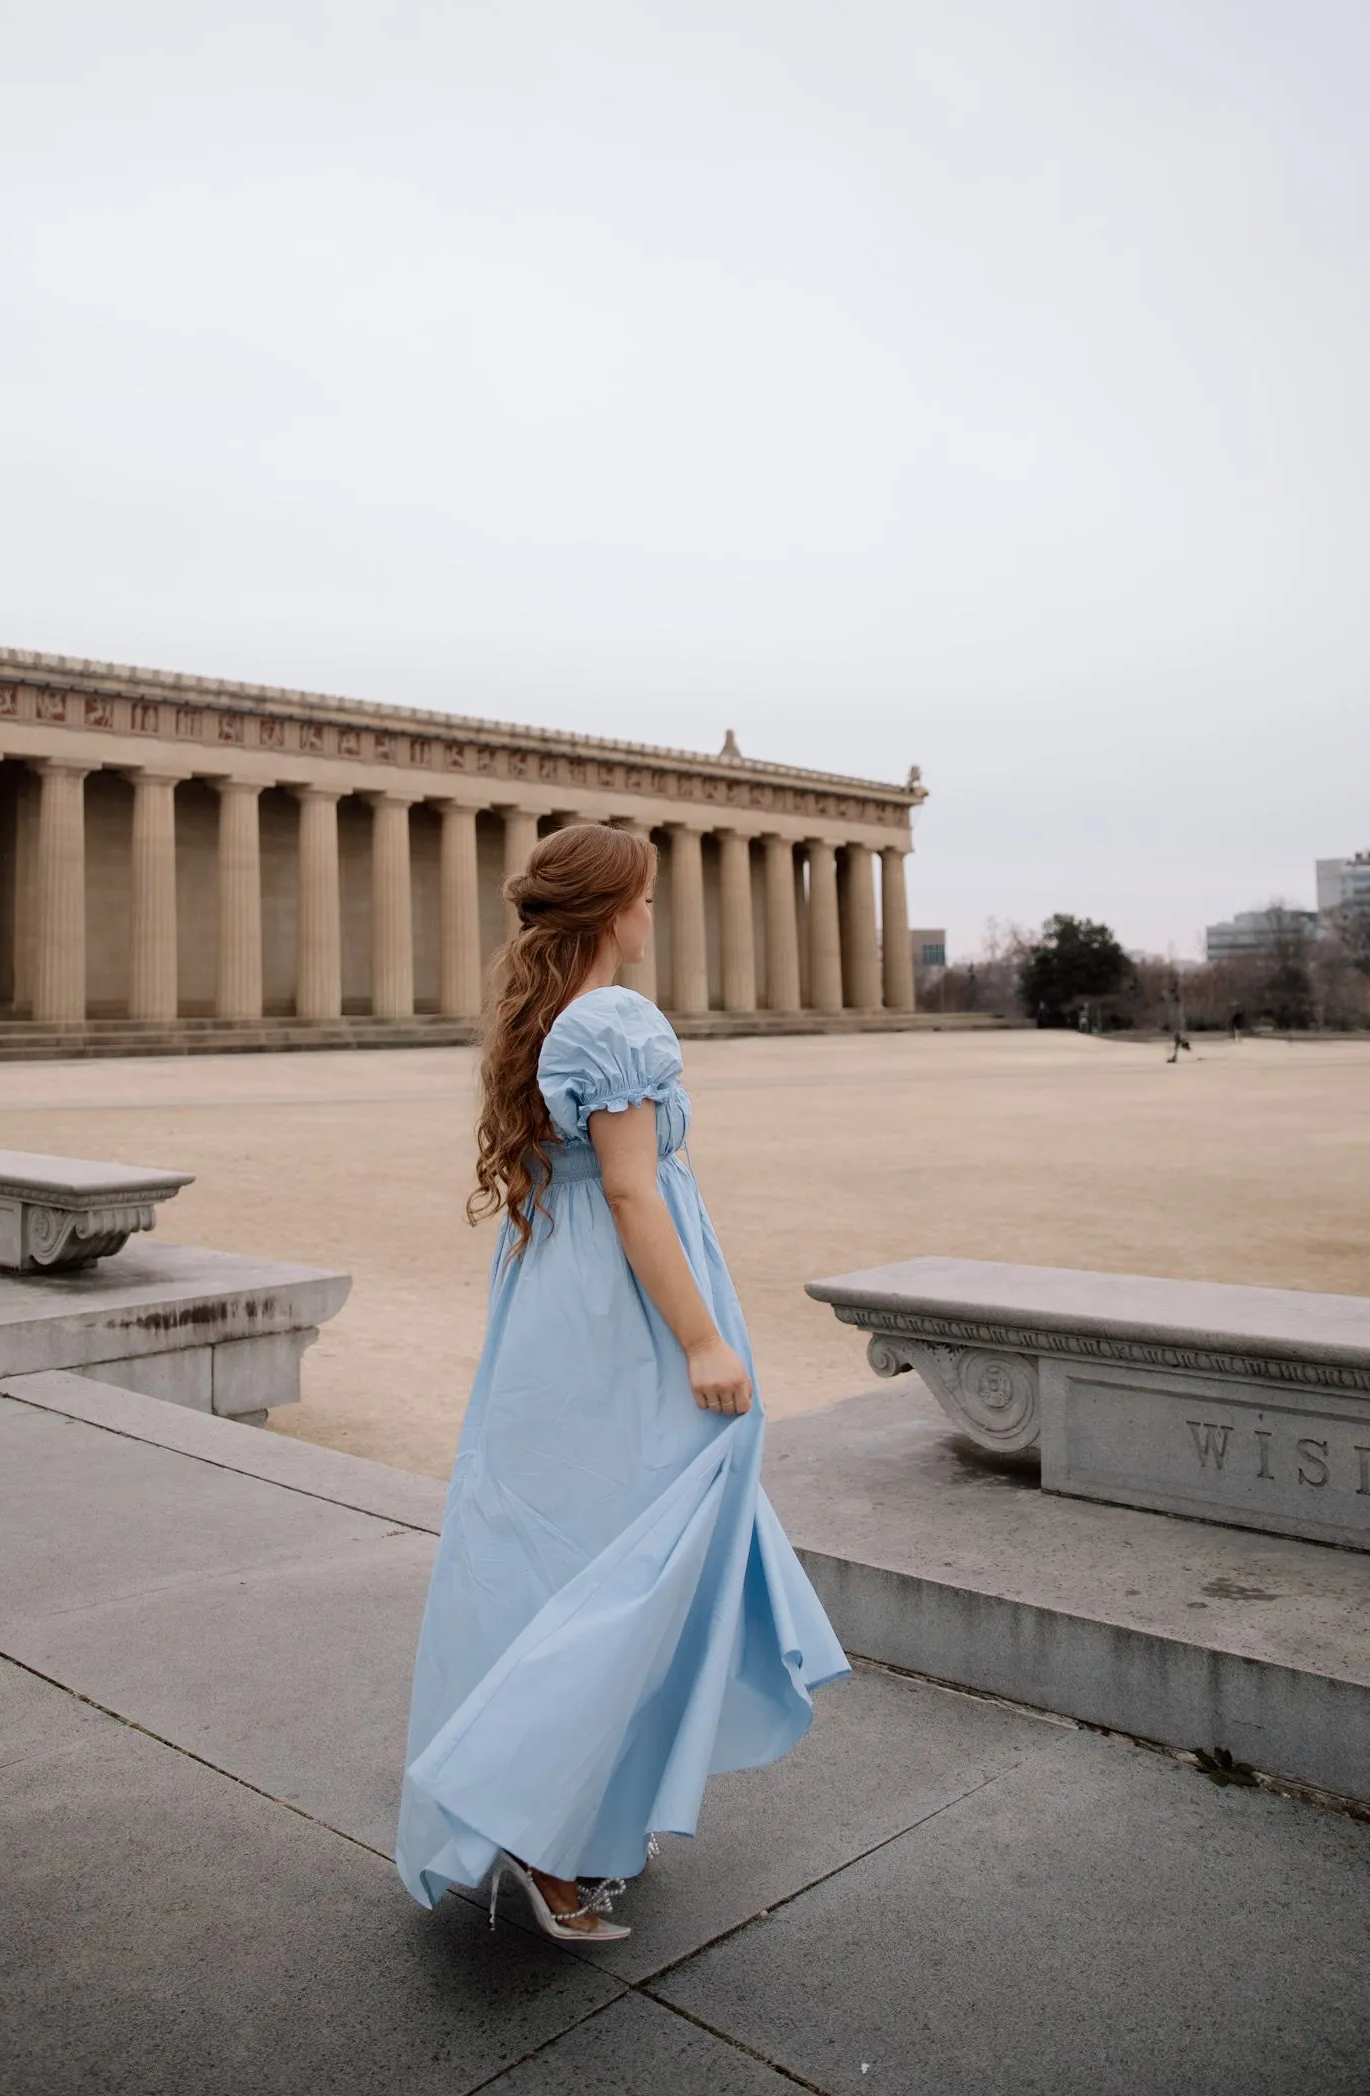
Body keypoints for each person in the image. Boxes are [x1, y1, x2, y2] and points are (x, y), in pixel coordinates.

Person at [395, 821, 848, 1943]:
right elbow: (638, 1194)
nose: (654, 916)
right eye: (645, 898)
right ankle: (554, 1840)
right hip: (623, 1313)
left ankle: (553, 1804)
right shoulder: (615, 1018)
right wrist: (703, 1338)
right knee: (644, 1553)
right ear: (610, 911)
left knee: (558, 1549)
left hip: (561, 1298)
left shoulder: (546, 1016)